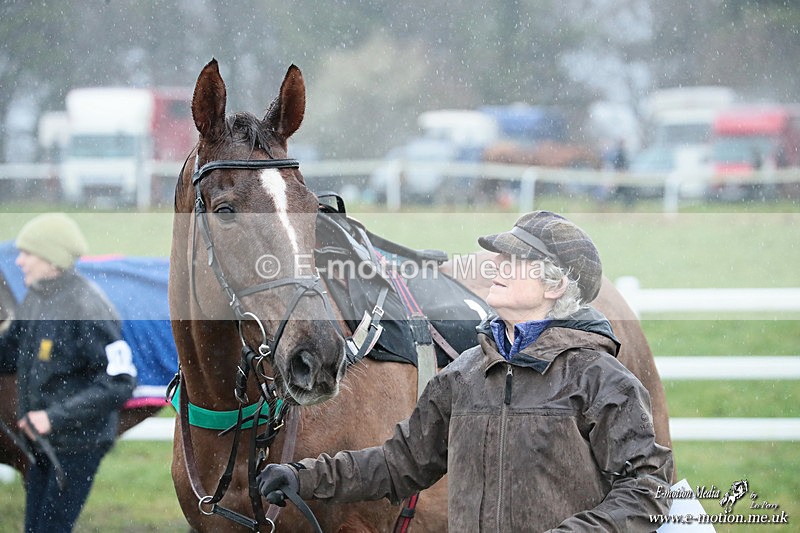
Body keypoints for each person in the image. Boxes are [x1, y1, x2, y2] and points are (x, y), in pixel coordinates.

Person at [257, 210, 674, 531]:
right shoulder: (464, 374)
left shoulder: (604, 381)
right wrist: (304, 477)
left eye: (517, 260)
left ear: (555, 286)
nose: (497, 266)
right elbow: (398, 464)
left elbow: (647, 489)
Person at [0, 213, 136, 532]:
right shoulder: (36, 298)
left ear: (51, 259)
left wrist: (52, 418)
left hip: (77, 445)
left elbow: (120, 382)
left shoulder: (88, 307)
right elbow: (7, 354)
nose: (19, 262)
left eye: (27, 253)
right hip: (42, 442)